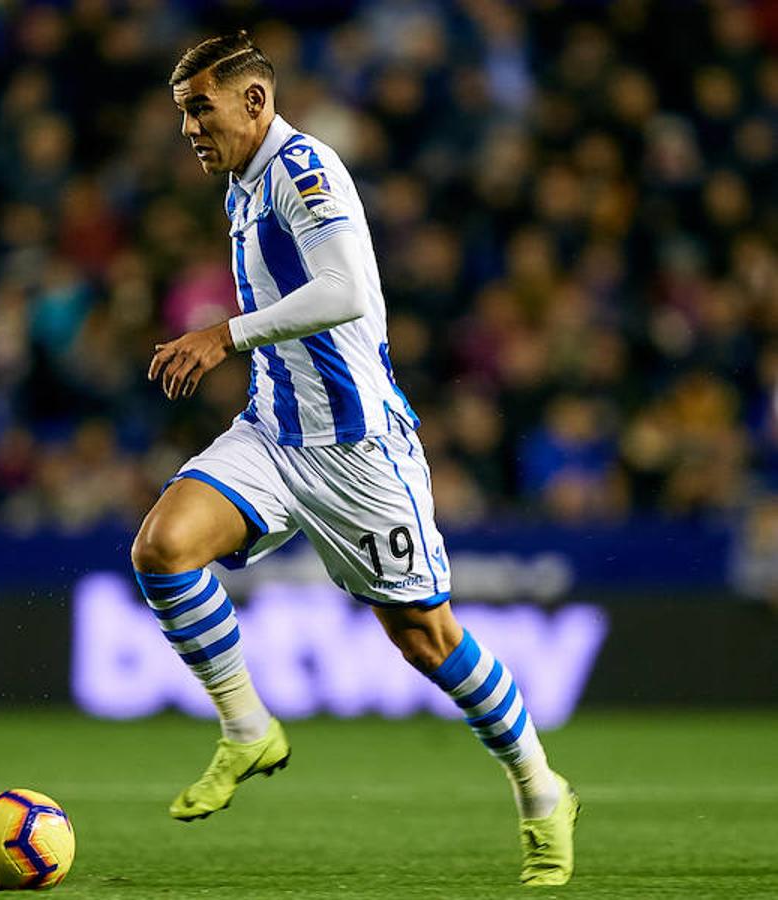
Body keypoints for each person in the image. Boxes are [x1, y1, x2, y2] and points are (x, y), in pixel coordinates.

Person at [131, 32, 579, 886]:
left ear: (255, 101)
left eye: (200, 109)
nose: (188, 128)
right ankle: (247, 730)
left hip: (358, 450)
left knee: (427, 641)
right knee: (163, 548)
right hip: (275, 431)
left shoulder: (305, 170)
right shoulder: (241, 182)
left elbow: (346, 292)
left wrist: (224, 335)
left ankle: (540, 790)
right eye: (182, 112)